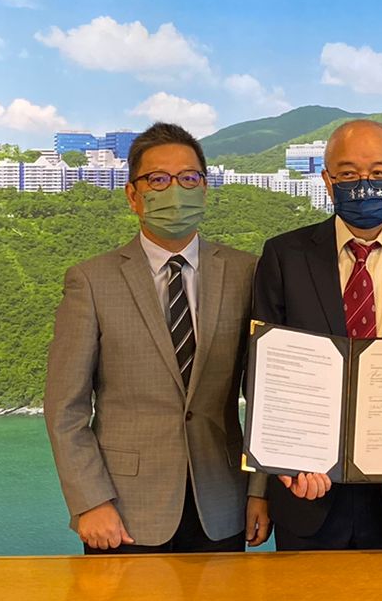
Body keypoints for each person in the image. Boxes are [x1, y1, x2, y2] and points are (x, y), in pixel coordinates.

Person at [248, 119, 382, 549]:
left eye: (379, 173)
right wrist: (277, 468)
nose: (364, 184)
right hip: (306, 493)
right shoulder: (283, 256)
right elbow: (262, 374)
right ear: (327, 182)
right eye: (348, 174)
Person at [44, 121, 255, 554]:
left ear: (205, 188)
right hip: (124, 513)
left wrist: (261, 492)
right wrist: (90, 502)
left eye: (188, 178)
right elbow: (65, 408)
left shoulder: (247, 273)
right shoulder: (92, 280)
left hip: (223, 504)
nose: (175, 190)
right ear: (133, 194)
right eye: (158, 179)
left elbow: (271, 398)